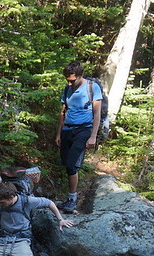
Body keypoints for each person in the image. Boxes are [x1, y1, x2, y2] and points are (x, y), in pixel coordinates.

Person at [55, 60, 102, 213]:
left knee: (72, 164)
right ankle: (69, 198)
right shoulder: (67, 88)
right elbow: (63, 112)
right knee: (66, 165)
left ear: (80, 75)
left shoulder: (92, 87)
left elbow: (97, 114)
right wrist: (59, 133)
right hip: (67, 130)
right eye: (67, 80)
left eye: (72, 80)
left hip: (84, 130)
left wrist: (93, 136)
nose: (69, 83)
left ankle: (72, 199)